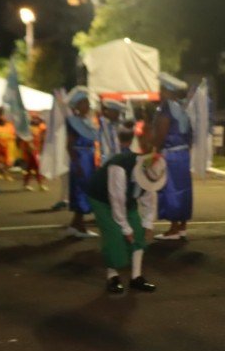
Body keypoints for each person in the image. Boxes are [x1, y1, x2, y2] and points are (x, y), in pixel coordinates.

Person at [87, 142, 166, 294]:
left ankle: (136, 277)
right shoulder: (119, 168)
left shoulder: (151, 171)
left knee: (138, 232)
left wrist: (148, 224)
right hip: (101, 198)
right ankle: (112, 276)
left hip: (124, 199)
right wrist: (125, 229)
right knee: (114, 235)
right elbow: (116, 202)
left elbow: (150, 199)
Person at [152, 73, 193, 240]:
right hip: (183, 153)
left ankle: (173, 229)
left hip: (171, 155)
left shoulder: (166, 108)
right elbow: (190, 135)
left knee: (171, 191)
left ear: (166, 91)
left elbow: (162, 132)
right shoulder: (182, 108)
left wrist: (156, 149)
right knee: (183, 189)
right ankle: (182, 226)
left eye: (161, 90)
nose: (160, 93)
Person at [65, 86, 99, 238]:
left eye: (88, 103)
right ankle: (80, 227)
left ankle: (76, 224)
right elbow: (69, 145)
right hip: (80, 159)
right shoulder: (73, 122)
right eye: (84, 103)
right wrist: (76, 163)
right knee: (81, 191)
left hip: (88, 159)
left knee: (84, 190)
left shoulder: (87, 122)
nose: (87, 106)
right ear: (77, 105)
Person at [21, 112, 47, 191]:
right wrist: (29, 147)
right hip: (31, 150)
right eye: (34, 118)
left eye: (37, 118)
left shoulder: (40, 128)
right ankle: (41, 185)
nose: (35, 120)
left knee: (30, 168)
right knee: (38, 167)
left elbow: (42, 137)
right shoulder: (28, 128)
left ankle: (26, 184)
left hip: (36, 149)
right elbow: (27, 139)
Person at [98, 99, 125, 166]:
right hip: (105, 159)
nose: (117, 115)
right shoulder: (102, 124)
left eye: (117, 113)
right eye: (114, 112)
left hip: (118, 159)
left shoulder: (119, 126)